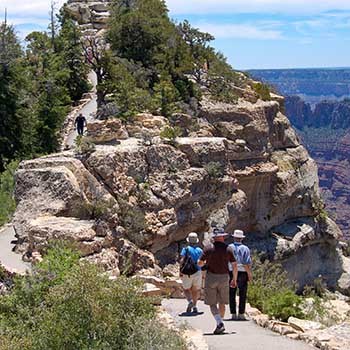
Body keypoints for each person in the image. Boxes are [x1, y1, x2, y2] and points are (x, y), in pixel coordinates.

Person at [198, 228, 238, 335]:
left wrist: (205, 264)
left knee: (212, 303)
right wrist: (234, 278)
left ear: (214, 237)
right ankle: (220, 323)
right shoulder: (228, 249)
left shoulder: (208, 248)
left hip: (211, 277)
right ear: (223, 237)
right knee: (222, 302)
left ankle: (219, 323)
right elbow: (234, 265)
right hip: (224, 277)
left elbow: (200, 263)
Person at [228, 229, 252, 321]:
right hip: (242, 272)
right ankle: (241, 313)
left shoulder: (229, 247)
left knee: (232, 293)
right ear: (241, 239)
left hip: (231, 271)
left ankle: (233, 313)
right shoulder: (245, 248)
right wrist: (249, 274)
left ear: (234, 237)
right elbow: (246, 263)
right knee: (242, 293)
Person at [180, 232, 203, 314]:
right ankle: (195, 306)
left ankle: (190, 301)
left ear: (188, 241)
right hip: (198, 271)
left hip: (187, 272)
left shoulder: (185, 249)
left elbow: (182, 260)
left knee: (186, 289)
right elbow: (202, 262)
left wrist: (180, 270)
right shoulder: (200, 250)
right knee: (195, 290)